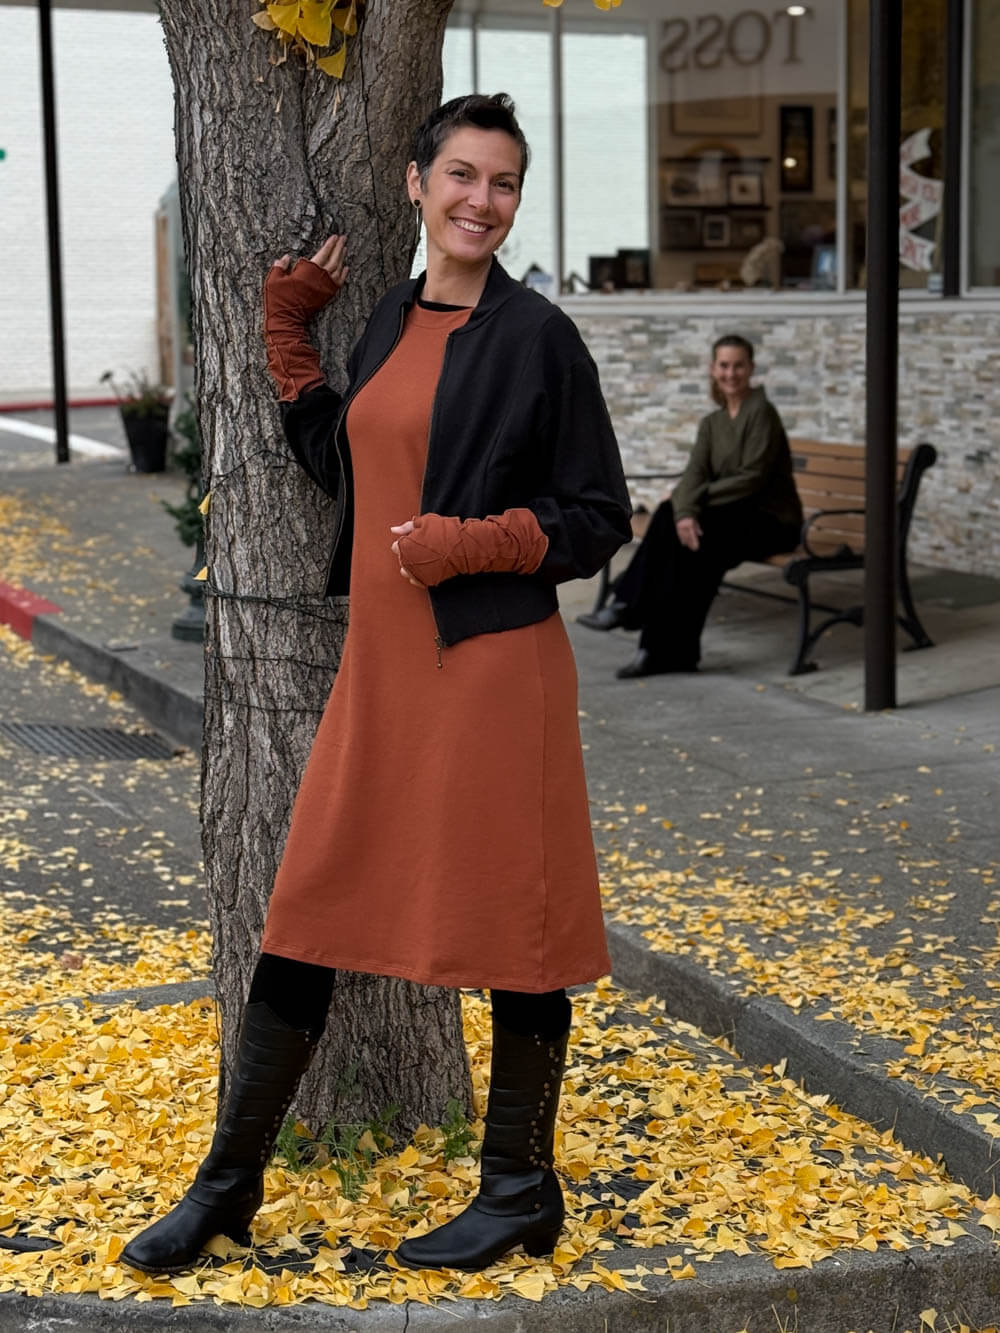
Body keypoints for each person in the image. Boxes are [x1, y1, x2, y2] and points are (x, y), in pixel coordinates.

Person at [120, 93, 631, 1278]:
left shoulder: (538, 338)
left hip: (495, 669)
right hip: (386, 674)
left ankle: (518, 1190)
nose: (480, 201)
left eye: (502, 183)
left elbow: (597, 513)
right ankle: (230, 1181)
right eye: (460, 174)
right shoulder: (391, 317)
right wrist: (289, 343)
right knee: (307, 908)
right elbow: (350, 464)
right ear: (417, 182)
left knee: (519, 923)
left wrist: (476, 542)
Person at [577, 335, 802, 679]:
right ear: (713, 369)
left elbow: (751, 478)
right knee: (687, 547)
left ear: (751, 369)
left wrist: (689, 505)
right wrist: (685, 511)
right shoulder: (712, 422)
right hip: (730, 517)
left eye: (738, 365)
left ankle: (630, 609)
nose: (731, 373)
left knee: (679, 533)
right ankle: (663, 650)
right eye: (724, 365)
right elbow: (694, 472)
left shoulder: (762, 413)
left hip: (770, 522)